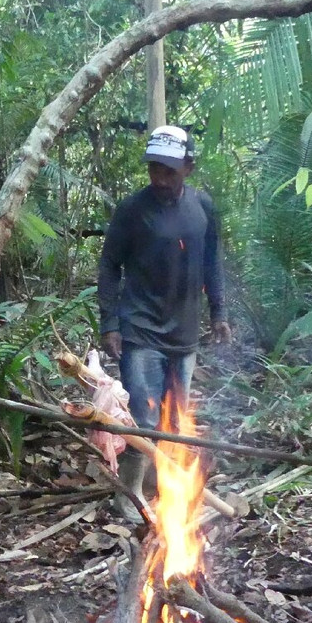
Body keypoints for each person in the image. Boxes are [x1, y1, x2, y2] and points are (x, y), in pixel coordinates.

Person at [97, 125, 231, 516]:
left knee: (175, 416)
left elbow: (212, 263)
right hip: (141, 328)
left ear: (188, 168)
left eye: (169, 171)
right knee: (143, 414)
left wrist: (219, 312)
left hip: (184, 331)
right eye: (154, 169)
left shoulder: (203, 207)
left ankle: (164, 485)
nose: (159, 178)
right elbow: (109, 265)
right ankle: (130, 490)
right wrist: (111, 323)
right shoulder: (132, 210)